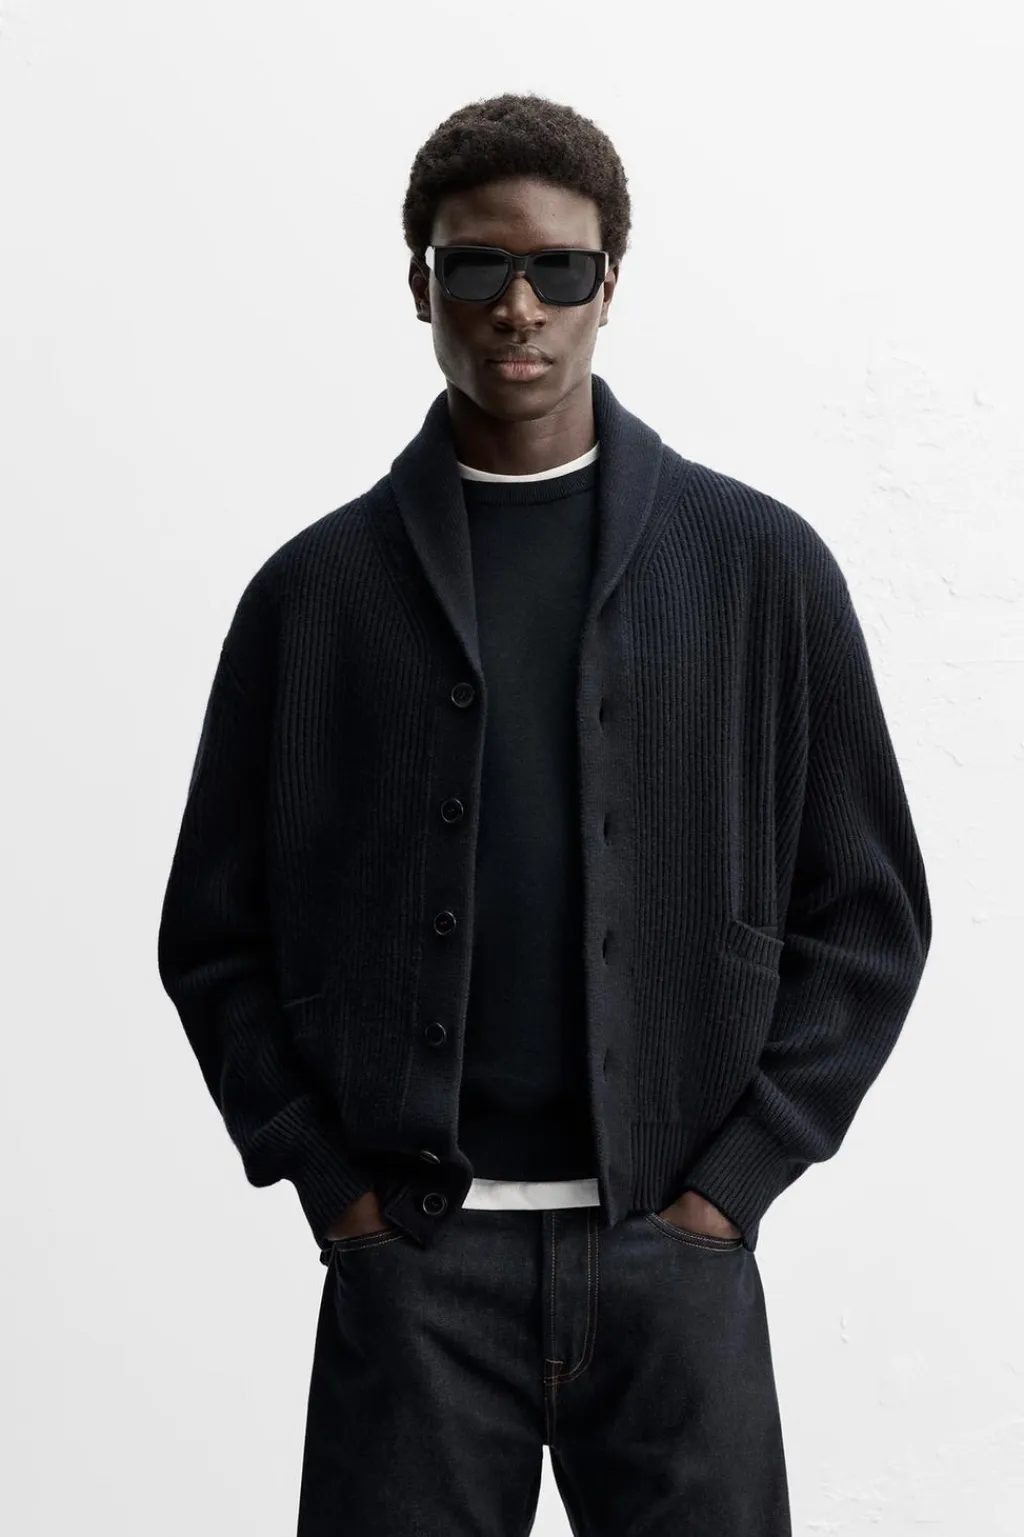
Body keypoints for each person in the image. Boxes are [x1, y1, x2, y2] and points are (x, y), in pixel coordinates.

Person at [157, 92, 932, 1536]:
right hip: (416, 1273)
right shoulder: (316, 596)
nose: (518, 307)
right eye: (476, 266)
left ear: (608, 286)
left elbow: (869, 916)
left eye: (558, 269)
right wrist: (332, 1185)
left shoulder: (758, 569)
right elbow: (213, 933)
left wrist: (732, 1187)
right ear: (421, 286)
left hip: (675, 1266)